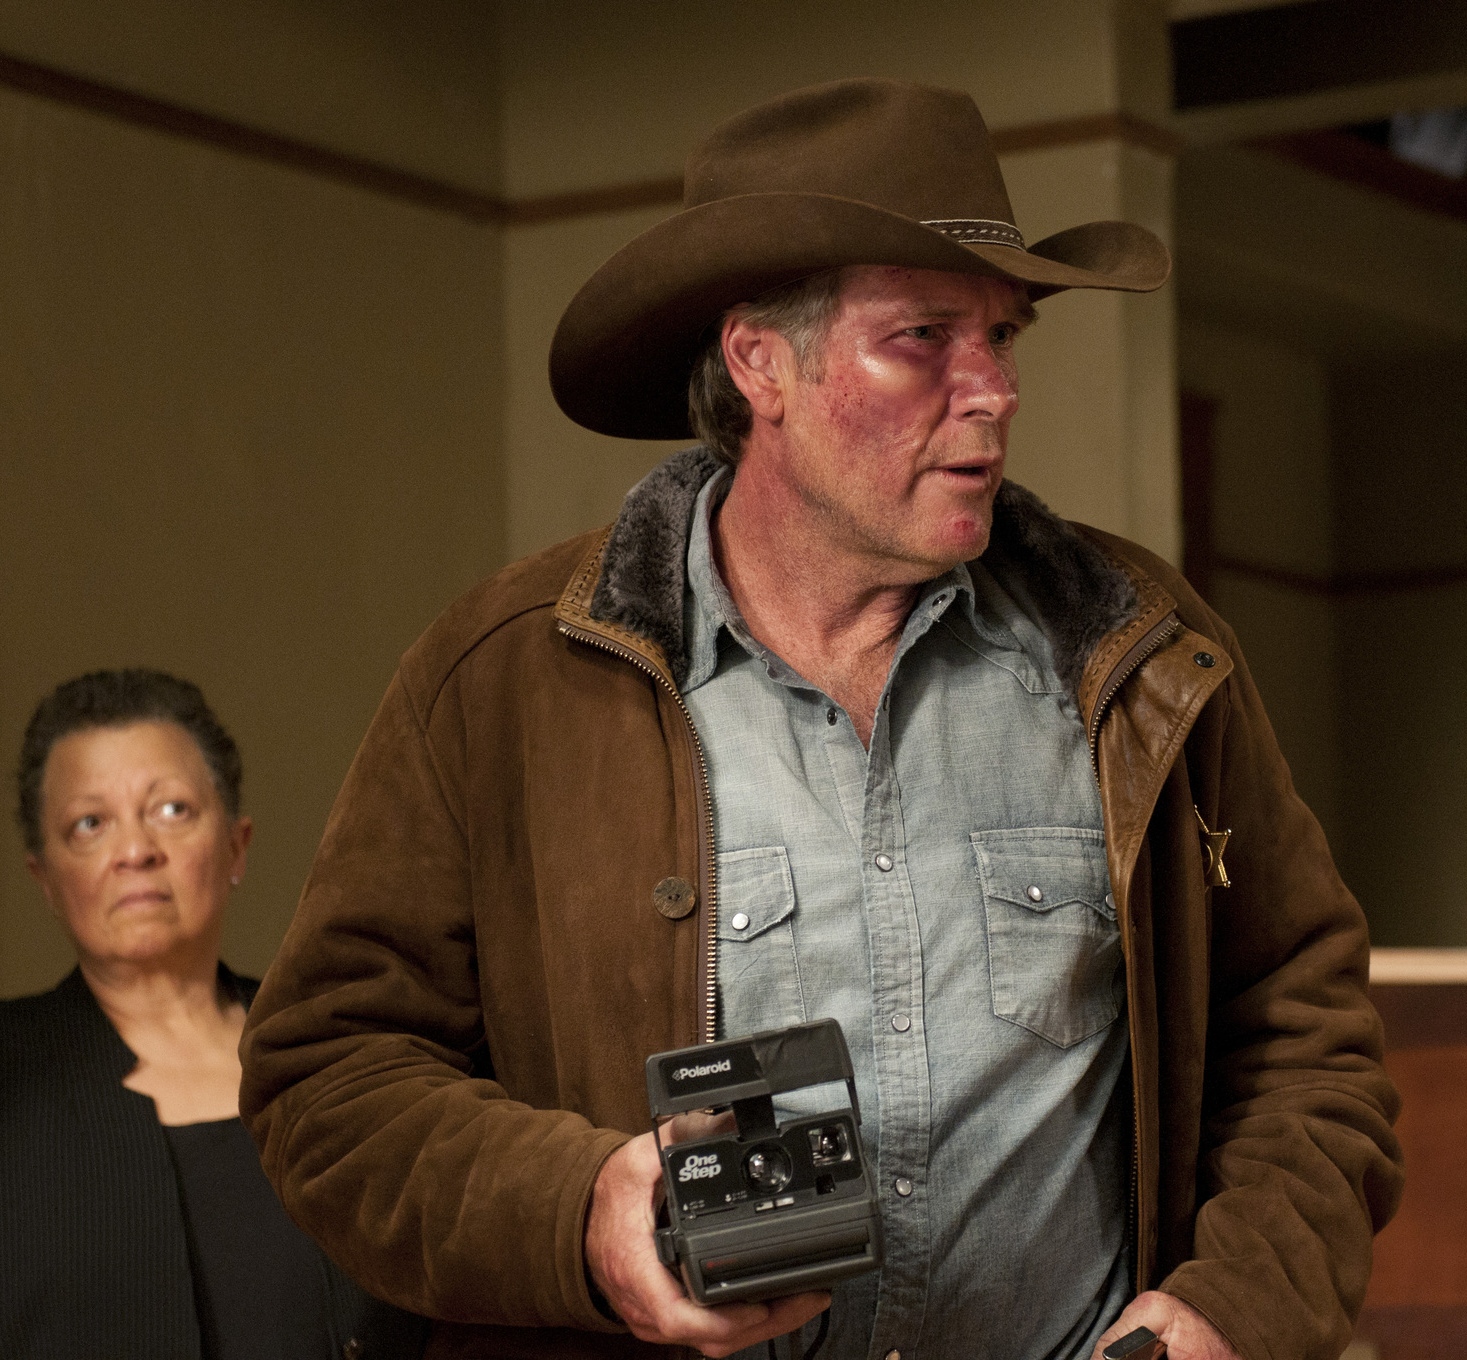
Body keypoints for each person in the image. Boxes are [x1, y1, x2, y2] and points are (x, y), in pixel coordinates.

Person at [242, 78, 1402, 1360]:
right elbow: (331, 1077)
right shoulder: (507, 681)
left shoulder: (1135, 651)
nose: (992, 391)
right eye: (920, 338)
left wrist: (1233, 1307)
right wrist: (582, 1214)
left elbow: (1305, 1043)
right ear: (759, 363)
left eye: (1002, 337)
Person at [0, 669, 425, 1360]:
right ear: (45, 877)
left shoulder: (343, 1052)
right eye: (89, 824)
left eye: (171, 810)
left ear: (236, 845)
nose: (135, 851)